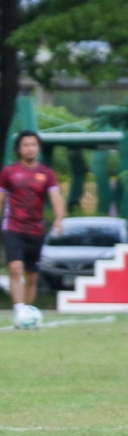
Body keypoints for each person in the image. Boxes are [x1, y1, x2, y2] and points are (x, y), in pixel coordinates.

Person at [0, 131, 66, 322]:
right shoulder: (9, 172)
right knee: (15, 268)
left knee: (32, 275)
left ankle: (28, 310)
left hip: (36, 230)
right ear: (19, 149)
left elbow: (55, 197)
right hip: (13, 227)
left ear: (38, 148)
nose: (30, 148)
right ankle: (19, 310)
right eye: (26, 145)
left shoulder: (46, 174)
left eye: (33, 145)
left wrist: (59, 219)